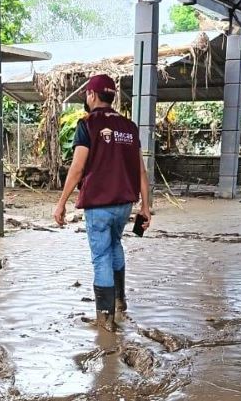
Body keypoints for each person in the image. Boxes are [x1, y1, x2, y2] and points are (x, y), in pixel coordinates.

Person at [53, 73, 151, 331]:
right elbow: (141, 171)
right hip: (124, 204)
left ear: (92, 95)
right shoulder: (130, 127)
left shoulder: (87, 124)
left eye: (86, 93)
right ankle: (120, 302)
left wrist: (61, 202)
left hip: (99, 205)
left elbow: (76, 168)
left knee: (100, 257)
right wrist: (146, 206)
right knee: (115, 245)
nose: (86, 97)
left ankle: (105, 318)